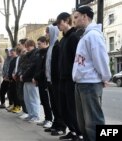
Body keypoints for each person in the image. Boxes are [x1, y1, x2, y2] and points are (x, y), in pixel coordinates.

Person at [72, 6, 111, 141]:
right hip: (81, 83)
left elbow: (101, 59)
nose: (74, 21)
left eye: (76, 17)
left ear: (85, 16)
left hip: (90, 83)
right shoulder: (85, 35)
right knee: (84, 123)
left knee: (93, 122)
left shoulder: (93, 35)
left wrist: (105, 77)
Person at [54, 12, 82, 140]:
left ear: (66, 21)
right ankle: (72, 130)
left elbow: (77, 60)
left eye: (60, 23)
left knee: (72, 107)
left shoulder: (74, 37)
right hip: (62, 78)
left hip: (71, 79)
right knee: (63, 107)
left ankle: (78, 133)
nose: (58, 26)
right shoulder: (63, 39)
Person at [45, 25, 66, 135]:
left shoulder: (57, 46)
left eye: (47, 32)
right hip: (50, 80)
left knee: (58, 105)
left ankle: (61, 127)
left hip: (56, 81)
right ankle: (55, 123)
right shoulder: (50, 46)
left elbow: (58, 65)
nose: (46, 34)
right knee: (53, 104)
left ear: (53, 33)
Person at [33, 36, 53, 128]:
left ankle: (50, 120)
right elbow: (37, 67)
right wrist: (35, 77)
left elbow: (45, 68)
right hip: (40, 80)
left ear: (45, 42)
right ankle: (46, 118)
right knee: (43, 101)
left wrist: (37, 76)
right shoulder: (39, 53)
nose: (38, 46)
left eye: (39, 44)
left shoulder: (48, 52)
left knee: (47, 101)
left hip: (45, 80)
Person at [20, 39, 40, 123]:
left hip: (31, 79)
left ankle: (35, 115)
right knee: (27, 98)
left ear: (32, 45)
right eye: (26, 46)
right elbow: (24, 66)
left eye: (28, 46)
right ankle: (30, 114)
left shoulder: (36, 53)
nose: (27, 48)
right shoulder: (28, 55)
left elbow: (32, 67)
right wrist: (22, 74)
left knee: (33, 98)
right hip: (26, 79)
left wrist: (24, 75)